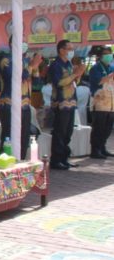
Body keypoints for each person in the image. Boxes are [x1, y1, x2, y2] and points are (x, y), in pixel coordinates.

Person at [0, 40, 42, 159]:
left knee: (24, 137)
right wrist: (31, 66)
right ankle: (5, 162)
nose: (25, 44)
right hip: (9, 103)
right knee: (9, 136)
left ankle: (20, 161)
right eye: (21, 41)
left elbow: (37, 83)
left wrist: (35, 67)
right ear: (13, 43)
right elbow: (15, 78)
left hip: (25, 104)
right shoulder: (6, 61)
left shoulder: (26, 60)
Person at [48, 40, 86, 170]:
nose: (71, 51)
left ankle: (64, 159)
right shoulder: (55, 65)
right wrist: (75, 74)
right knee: (60, 132)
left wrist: (78, 74)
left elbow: (74, 82)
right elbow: (59, 83)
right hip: (61, 102)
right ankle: (56, 160)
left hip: (71, 102)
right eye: (69, 49)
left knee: (68, 132)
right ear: (61, 50)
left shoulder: (69, 64)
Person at [89, 47, 114, 159]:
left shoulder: (111, 67)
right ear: (100, 56)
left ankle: (103, 148)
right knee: (98, 128)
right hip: (99, 103)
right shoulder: (95, 68)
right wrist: (110, 76)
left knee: (107, 128)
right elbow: (98, 81)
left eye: (110, 54)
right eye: (106, 54)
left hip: (111, 103)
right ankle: (95, 150)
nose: (109, 56)